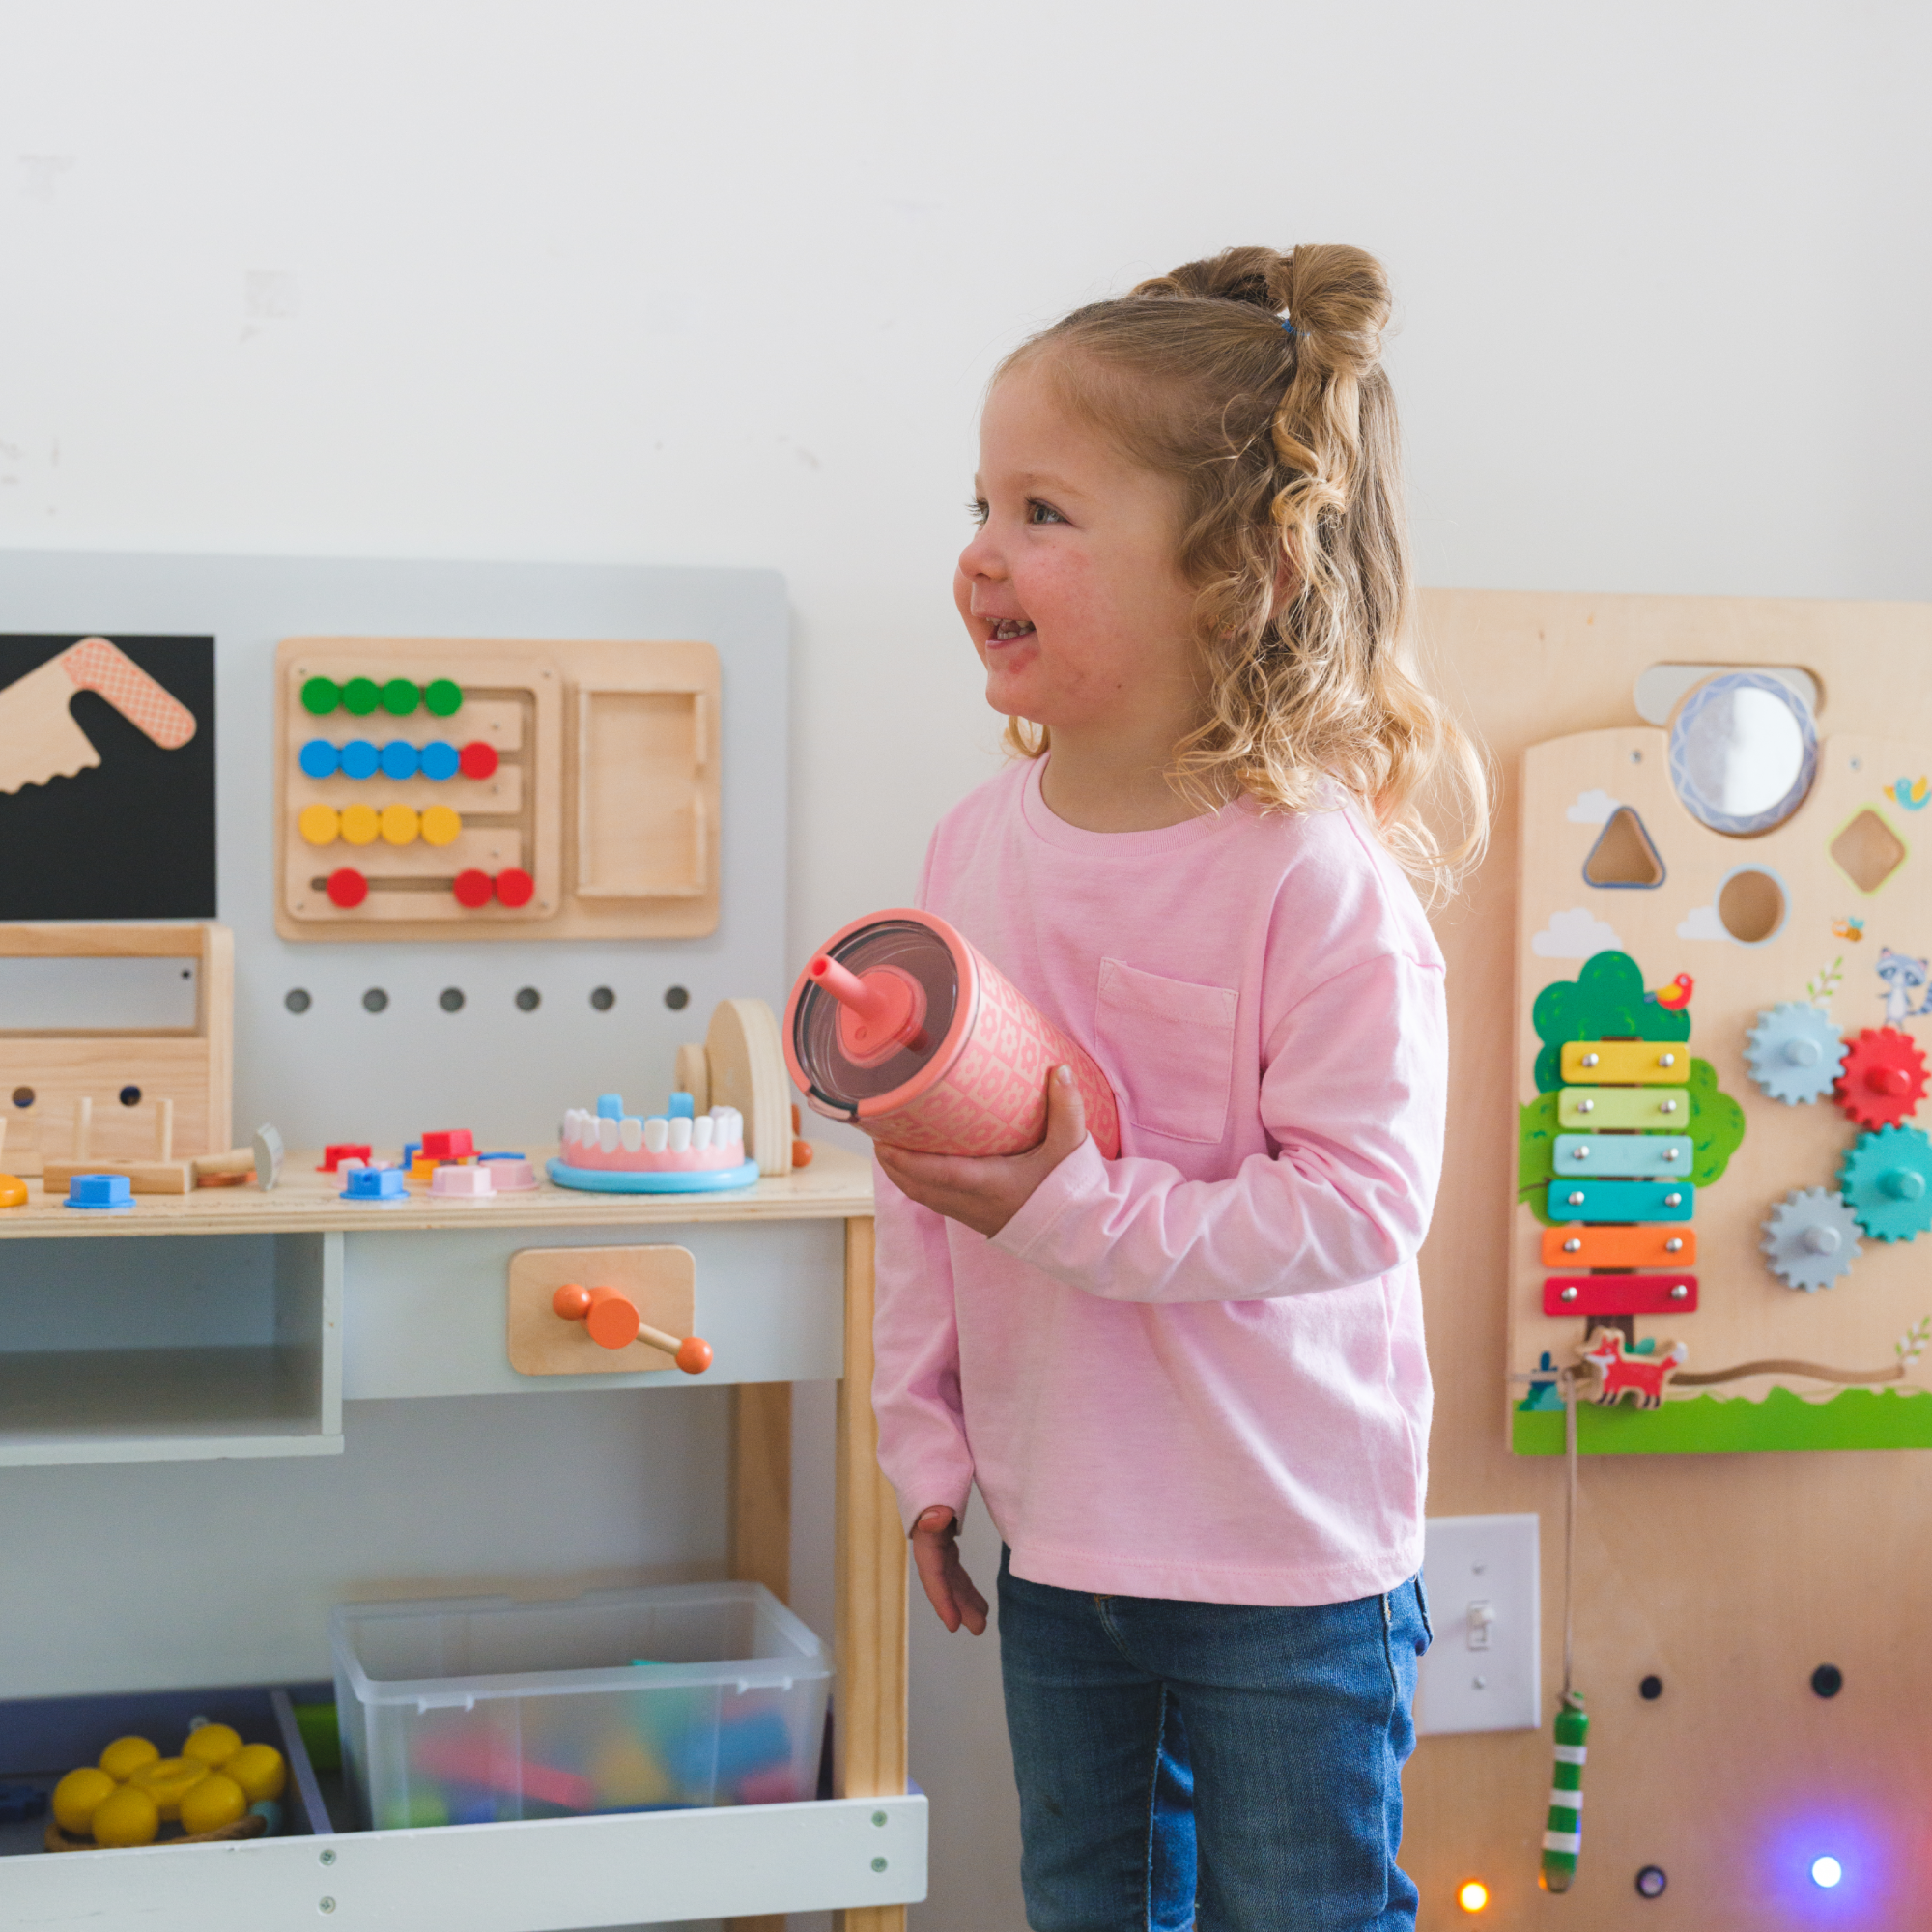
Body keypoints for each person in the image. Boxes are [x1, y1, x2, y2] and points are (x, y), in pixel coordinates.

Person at [868, 244, 1489, 1932]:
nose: (980, 553)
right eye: (982, 504)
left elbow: (1359, 1205)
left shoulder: (1312, 874)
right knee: (1089, 1903)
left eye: (1044, 513)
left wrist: (1072, 1212)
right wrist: (927, 1441)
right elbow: (927, 1183)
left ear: (1239, 574)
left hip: (1284, 1557)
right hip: (1064, 1541)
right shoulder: (971, 849)